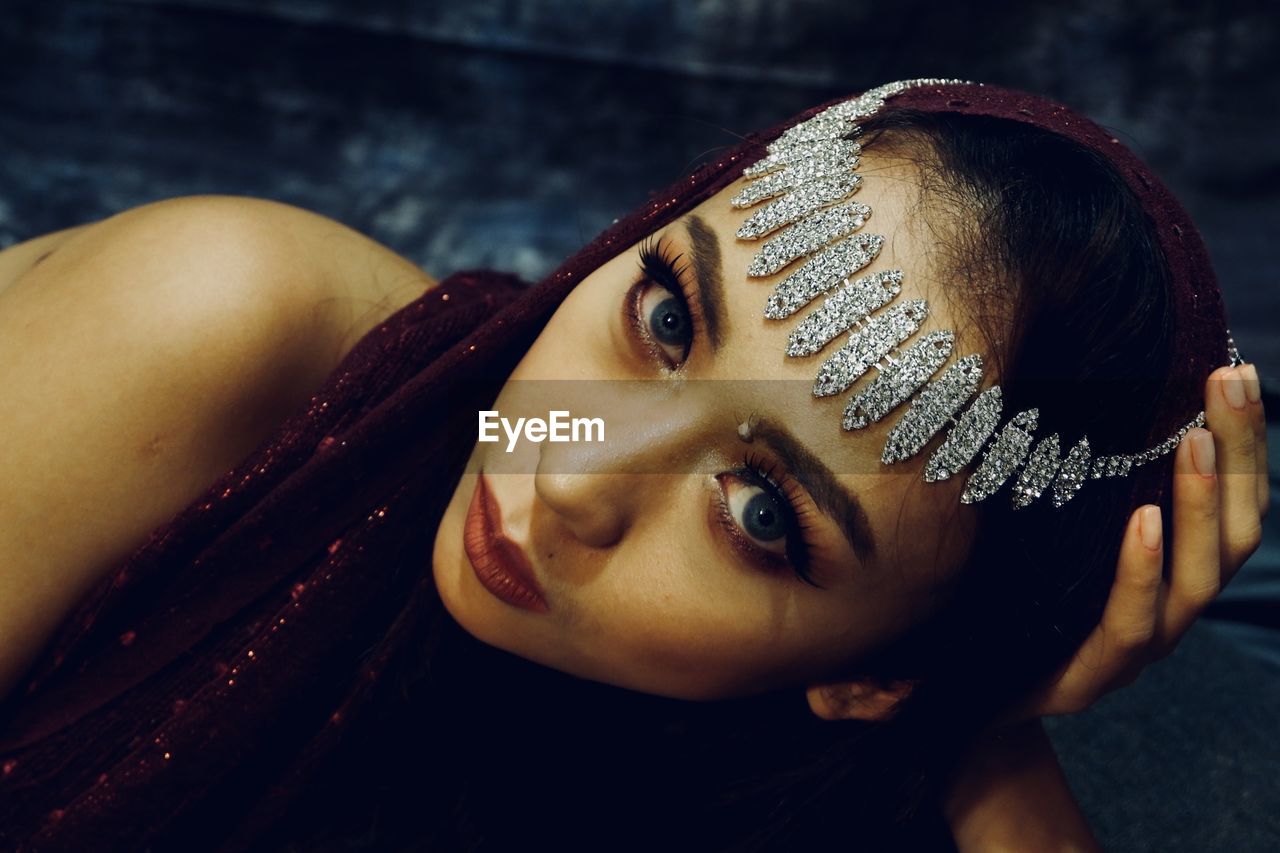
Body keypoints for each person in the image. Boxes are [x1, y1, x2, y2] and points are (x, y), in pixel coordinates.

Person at [0, 79, 1268, 851]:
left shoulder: (756, 775)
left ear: (874, 673)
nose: (566, 472)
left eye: (760, 510)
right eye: (667, 318)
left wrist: (978, 745)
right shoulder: (216, 317)